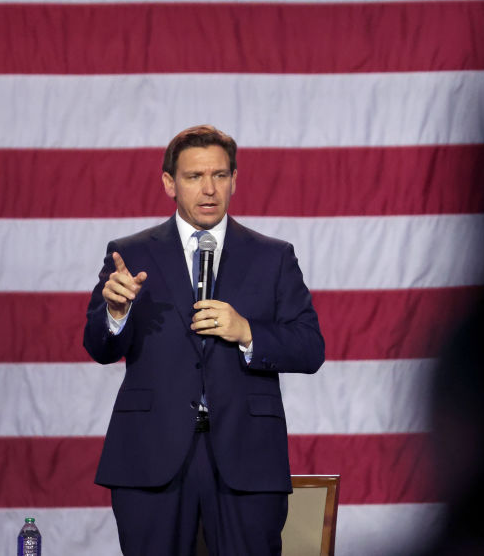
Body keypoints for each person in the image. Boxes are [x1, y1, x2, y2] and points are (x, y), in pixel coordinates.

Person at [83, 125, 325, 556]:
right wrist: (116, 314)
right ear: (169, 183)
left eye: (220, 175)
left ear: (235, 179)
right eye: (194, 177)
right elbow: (100, 348)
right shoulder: (131, 254)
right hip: (151, 456)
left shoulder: (273, 256)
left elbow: (310, 347)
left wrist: (247, 331)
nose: (209, 189)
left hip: (246, 458)